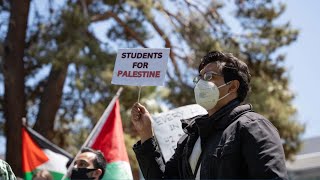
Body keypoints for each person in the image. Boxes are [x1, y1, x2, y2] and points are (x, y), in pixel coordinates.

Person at [131, 51, 288, 179]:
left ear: (232, 86)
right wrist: (146, 134)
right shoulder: (190, 138)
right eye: (199, 78)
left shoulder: (252, 126)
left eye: (209, 77)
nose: (201, 83)